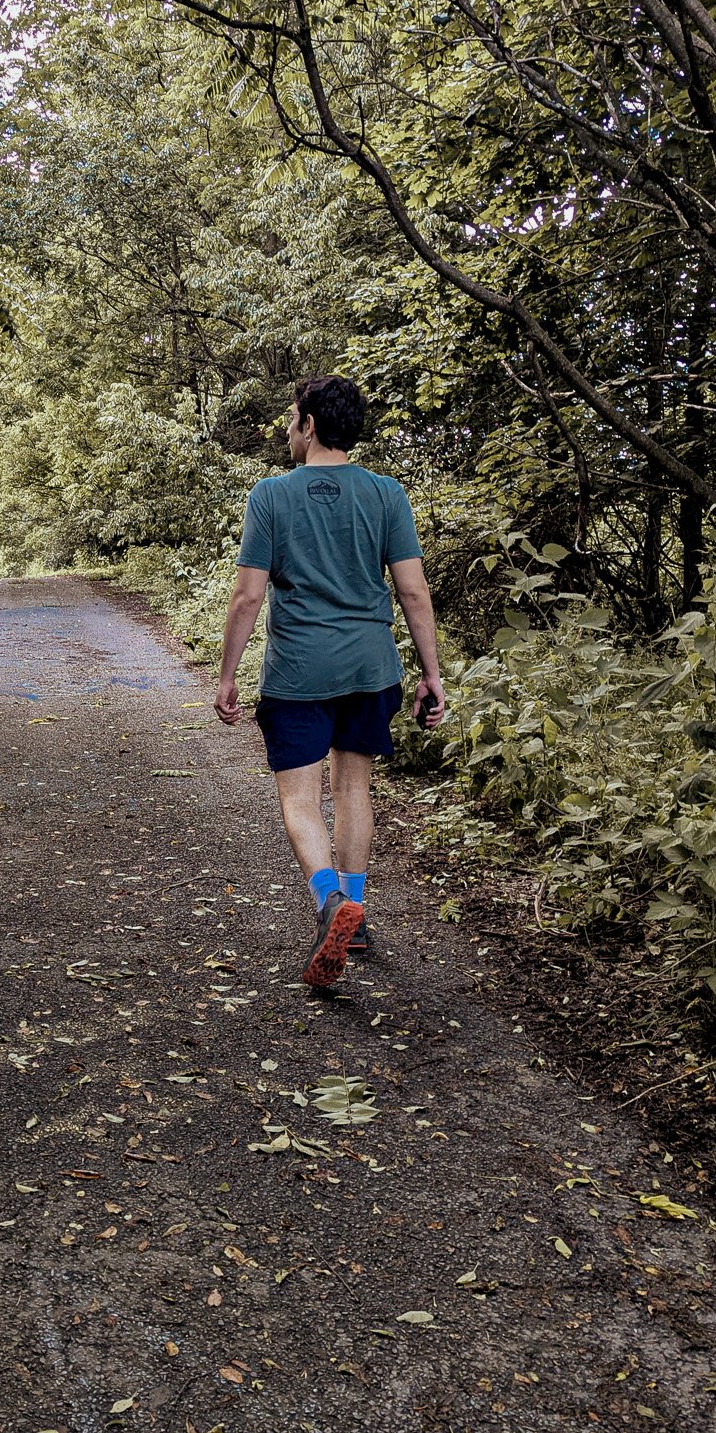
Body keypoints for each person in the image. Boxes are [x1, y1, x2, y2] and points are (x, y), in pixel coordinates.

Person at [214, 374, 445, 987]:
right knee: (352, 789)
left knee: (298, 796)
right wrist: (432, 673)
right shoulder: (387, 494)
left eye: (293, 418)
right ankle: (356, 908)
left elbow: (247, 597)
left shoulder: (270, 495)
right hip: (371, 668)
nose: (290, 430)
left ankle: (326, 904)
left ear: (309, 424)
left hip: (298, 672)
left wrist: (227, 675)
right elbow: (413, 591)